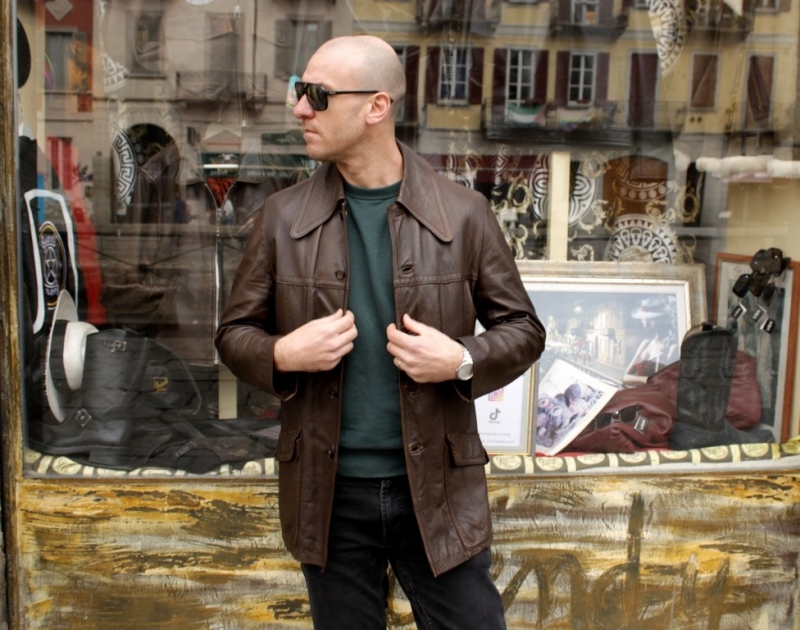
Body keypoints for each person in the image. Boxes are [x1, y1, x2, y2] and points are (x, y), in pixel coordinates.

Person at [215, 35, 546, 630]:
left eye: (317, 95)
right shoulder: (282, 218)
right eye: (299, 92)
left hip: (438, 490)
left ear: (376, 106)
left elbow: (523, 329)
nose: (300, 109)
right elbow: (234, 333)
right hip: (328, 494)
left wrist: (461, 359)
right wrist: (282, 352)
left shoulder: (463, 213)